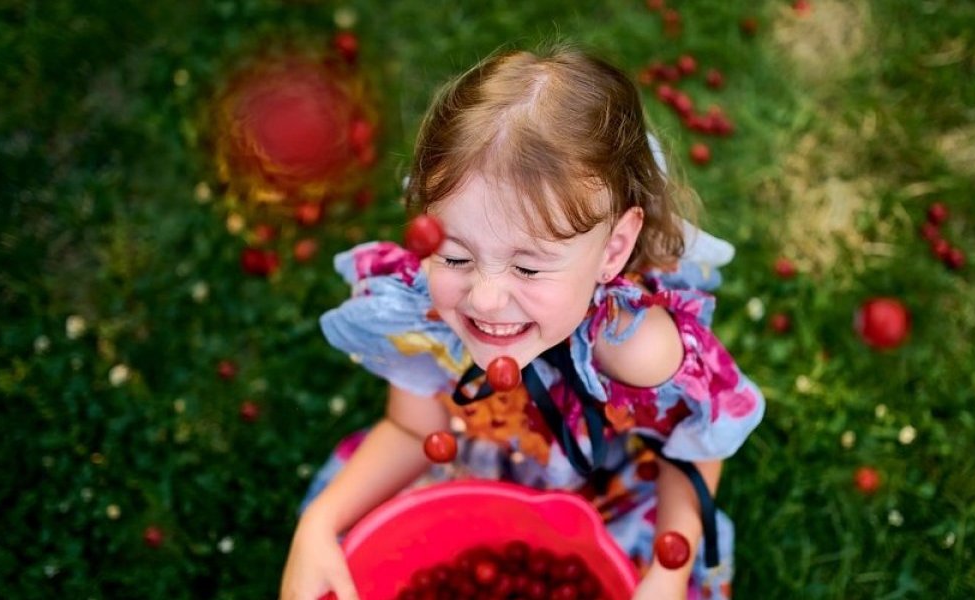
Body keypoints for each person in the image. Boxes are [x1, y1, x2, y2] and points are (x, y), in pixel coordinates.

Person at [280, 46, 764, 600]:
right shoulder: (427, 312)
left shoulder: (633, 345)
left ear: (614, 251)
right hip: (471, 466)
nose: (485, 300)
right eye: (456, 256)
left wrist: (668, 573)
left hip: (601, 496)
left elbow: (693, 448)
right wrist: (318, 521)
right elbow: (413, 429)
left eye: (529, 267)